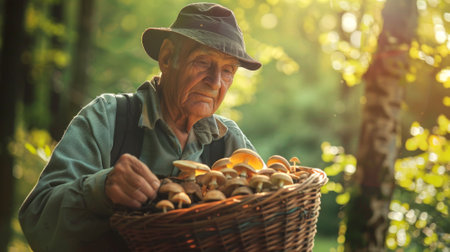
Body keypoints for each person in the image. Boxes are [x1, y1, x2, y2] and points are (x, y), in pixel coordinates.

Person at [19, 2, 261, 251]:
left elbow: (271, 216)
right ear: (167, 58)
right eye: (202, 62)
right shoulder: (109, 118)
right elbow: (37, 218)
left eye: (228, 70)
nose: (215, 82)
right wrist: (101, 190)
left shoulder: (230, 143)